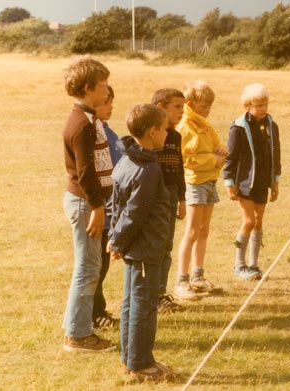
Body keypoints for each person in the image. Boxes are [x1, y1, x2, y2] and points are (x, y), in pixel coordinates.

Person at [108, 103, 176, 382]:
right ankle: (142, 364)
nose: (167, 134)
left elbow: (117, 206)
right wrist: (117, 242)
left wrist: (116, 239)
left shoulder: (127, 159)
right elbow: (134, 212)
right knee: (144, 306)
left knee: (131, 302)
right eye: (165, 129)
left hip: (136, 247)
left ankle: (131, 358)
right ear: (151, 132)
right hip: (146, 249)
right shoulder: (148, 170)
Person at [60, 57, 117, 353]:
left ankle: (76, 327)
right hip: (85, 203)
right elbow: (85, 173)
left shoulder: (90, 119)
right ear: (87, 88)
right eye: (103, 86)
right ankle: (78, 336)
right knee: (88, 267)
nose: (107, 91)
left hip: (90, 202)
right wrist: (97, 207)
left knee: (89, 266)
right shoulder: (82, 124)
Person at [174, 81, 228, 300]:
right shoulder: (184, 126)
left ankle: (198, 276)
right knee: (192, 231)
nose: (208, 110)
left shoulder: (204, 125)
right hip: (195, 183)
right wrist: (213, 159)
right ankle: (182, 280)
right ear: (191, 104)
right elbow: (185, 159)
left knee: (204, 230)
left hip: (209, 182)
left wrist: (221, 151)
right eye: (204, 106)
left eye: (210, 106)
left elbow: (214, 145)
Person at [224, 84, 282, 281]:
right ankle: (239, 265)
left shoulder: (272, 126)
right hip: (244, 182)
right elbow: (231, 157)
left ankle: (253, 265)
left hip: (262, 182)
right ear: (247, 106)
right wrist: (229, 182)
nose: (263, 108)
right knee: (249, 221)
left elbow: (276, 154)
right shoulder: (239, 127)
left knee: (258, 222)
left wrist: (275, 181)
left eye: (265, 104)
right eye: (258, 105)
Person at [152, 88, 188, 312]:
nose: (181, 112)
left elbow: (179, 169)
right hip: (155, 197)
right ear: (160, 108)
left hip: (171, 195)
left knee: (166, 246)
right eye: (177, 107)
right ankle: (151, 295)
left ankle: (160, 294)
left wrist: (182, 199)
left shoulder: (175, 136)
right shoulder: (152, 135)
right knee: (155, 246)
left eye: (183, 107)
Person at [92, 85, 125, 330]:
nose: (110, 106)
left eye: (112, 101)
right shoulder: (95, 134)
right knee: (95, 264)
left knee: (102, 263)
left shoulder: (110, 133)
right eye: (105, 102)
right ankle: (95, 313)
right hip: (99, 208)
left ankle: (97, 309)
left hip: (111, 208)